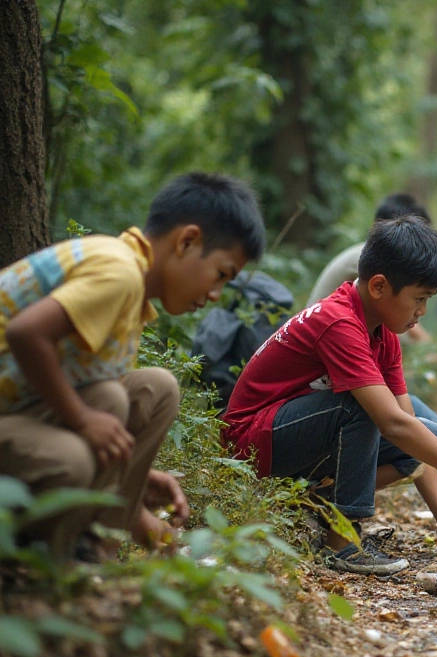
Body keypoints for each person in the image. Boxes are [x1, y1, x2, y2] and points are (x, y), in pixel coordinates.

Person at [224, 216, 437, 576]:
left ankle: (320, 504)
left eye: (428, 300)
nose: (422, 311)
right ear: (378, 286)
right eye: (418, 299)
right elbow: (391, 423)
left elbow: (408, 428)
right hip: (252, 442)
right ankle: (341, 542)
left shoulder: (382, 333)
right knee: (364, 408)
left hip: (301, 436)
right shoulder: (338, 322)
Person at [0, 172, 264, 559]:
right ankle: (52, 566)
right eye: (221, 275)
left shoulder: (130, 288)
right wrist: (80, 420)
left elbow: (100, 397)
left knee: (150, 389)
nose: (214, 294)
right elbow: (26, 334)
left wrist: (134, 481)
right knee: (72, 458)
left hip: (17, 410)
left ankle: (96, 536)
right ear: (186, 241)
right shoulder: (117, 271)